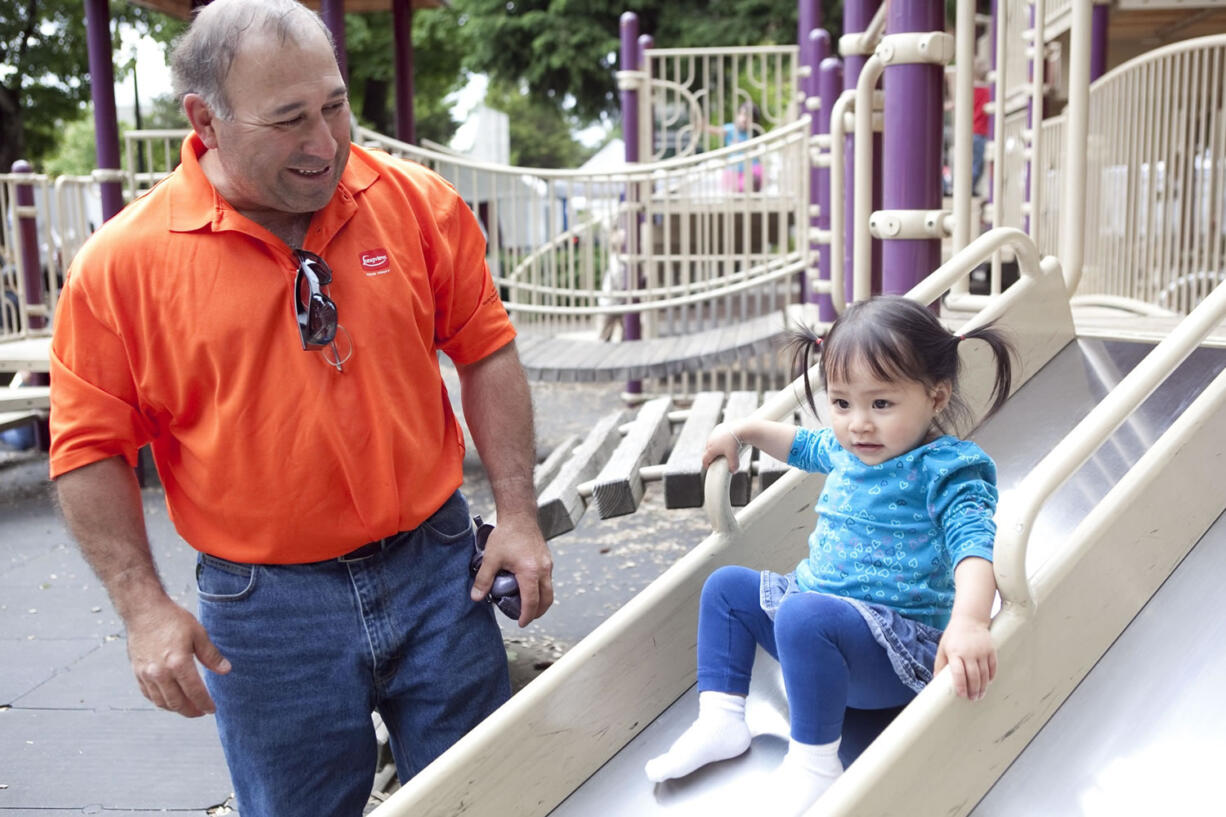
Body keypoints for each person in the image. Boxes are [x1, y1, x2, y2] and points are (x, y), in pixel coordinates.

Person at [48, 2, 553, 815]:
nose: (324, 143)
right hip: (266, 613)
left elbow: (485, 348)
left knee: (480, 798)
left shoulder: (413, 201)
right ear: (204, 119)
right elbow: (86, 448)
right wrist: (143, 608)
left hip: (437, 568)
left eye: (334, 104)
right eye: (288, 121)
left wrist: (518, 514)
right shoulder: (123, 267)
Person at [643, 296, 1014, 816]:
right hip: (817, 633)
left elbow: (974, 544)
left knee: (803, 612)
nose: (858, 423)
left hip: (894, 654)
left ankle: (814, 764)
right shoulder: (847, 447)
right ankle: (722, 719)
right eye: (842, 404)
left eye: (881, 404)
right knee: (725, 587)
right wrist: (743, 431)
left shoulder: (945, 468)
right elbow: (799, 442)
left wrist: (971, 620)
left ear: (936, 396)